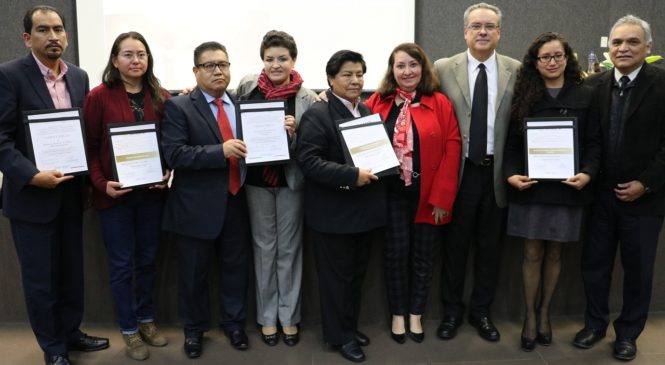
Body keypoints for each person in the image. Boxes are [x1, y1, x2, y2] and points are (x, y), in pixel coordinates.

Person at [0, 5, 109, 365]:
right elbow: (2, 140)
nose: (54, 37)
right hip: (32, 196)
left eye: (59, 29)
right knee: (40, 278)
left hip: (70, 193)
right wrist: (31, 175)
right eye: (44, 30)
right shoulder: (9, 75)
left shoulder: (78, 77)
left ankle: (70, 332)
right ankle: (53, 347)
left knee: (70, 271)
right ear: (28, 38)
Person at [574, 14, 665, 362]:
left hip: (645, 199)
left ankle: (628, 334)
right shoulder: (594, 86)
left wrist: (646, 183)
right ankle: (594, 325)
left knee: (638, 271)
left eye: (632, 42)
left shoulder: (661, 84)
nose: (623, 48)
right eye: (617, 43)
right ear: (608, 48)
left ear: (648, 47)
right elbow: (590, 139)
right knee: (594, 265)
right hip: (600, 195)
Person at [503, 32, 600, 351]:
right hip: (531, 188)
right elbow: (513, 145)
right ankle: (530, 316)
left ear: (568, 59)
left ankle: (545, 313)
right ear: (535, 62)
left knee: (555, 252)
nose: (552, 62)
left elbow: (593, 143)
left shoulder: (585, 94)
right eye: (545, 57)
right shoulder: (525, 94)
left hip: (568, 189)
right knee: (532, 252)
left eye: (558, 56)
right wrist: (512, 175)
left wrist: (587, 173)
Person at [433, 2, 520, 342]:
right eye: (477, 26)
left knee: (489, 249)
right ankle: (451, 312)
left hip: (496, 174)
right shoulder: (442, 68)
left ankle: (481, 312)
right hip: (459, 173)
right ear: (465, 31)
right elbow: (410, 96)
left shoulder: (516, 69)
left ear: (499, 32)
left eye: (490, 26)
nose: (483, 31)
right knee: (455, 247)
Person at [364, 43, 461, 344]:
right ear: (392, 70)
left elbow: (453, 147)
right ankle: (397, 314)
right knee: (395, 255)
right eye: (400, 66)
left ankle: (416, 313)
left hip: (428, 195)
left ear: (423, 68)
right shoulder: (378, 102)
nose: (407, 71)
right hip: (391, 193)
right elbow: (357, 135)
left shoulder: (440, 102)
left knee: (423, 256)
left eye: (413, 65)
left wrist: (443, 198)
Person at [82, 31, 170, 361]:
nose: (136, 60)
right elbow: (88, 147)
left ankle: (146, 320)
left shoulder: (160, 96)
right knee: (121, 265)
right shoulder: (98, 97)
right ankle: (129, 329)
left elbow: (170, 145)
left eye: (142, 54)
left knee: (147, 261)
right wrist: (101, 183)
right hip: (114, 197)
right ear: (115, 60)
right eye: (128, 54)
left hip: (151, 195)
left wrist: (167, 170)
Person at [161, 41, 251, 359]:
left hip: (237, 201)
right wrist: (220, 151)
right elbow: (174, 154)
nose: (218, 71)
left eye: (223, 64)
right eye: (210, 65)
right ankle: (194, 330)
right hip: (195, 206)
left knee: (235, 268)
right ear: (196, 71)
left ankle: (234, 324)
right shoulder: (179, 106)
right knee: (193, 274)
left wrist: (281, 131)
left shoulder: (243, 104)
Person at [296, 50, 385, 363]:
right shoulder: (318, 115)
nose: (356, 80)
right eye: (347, 74)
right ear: (331, 79)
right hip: (334, 215)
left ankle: (348, 327)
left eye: (360, 73)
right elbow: (309, 162)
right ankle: (339, 337)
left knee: (355, 277)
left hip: (363, 212)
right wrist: (351, 175)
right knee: (337, 280)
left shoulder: (366, 111)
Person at [234, 30, 316, 347]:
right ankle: (268, 318)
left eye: (282, 58)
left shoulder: (307, 98)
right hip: (255, 182)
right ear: (262, 60)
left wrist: (294, 134)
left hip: (291, 181)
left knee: (290, 251)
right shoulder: (247, 86)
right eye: (269, 59)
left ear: (293, 60)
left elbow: (310, 149)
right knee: (264, 249)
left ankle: (289, 317)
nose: (275, 65)